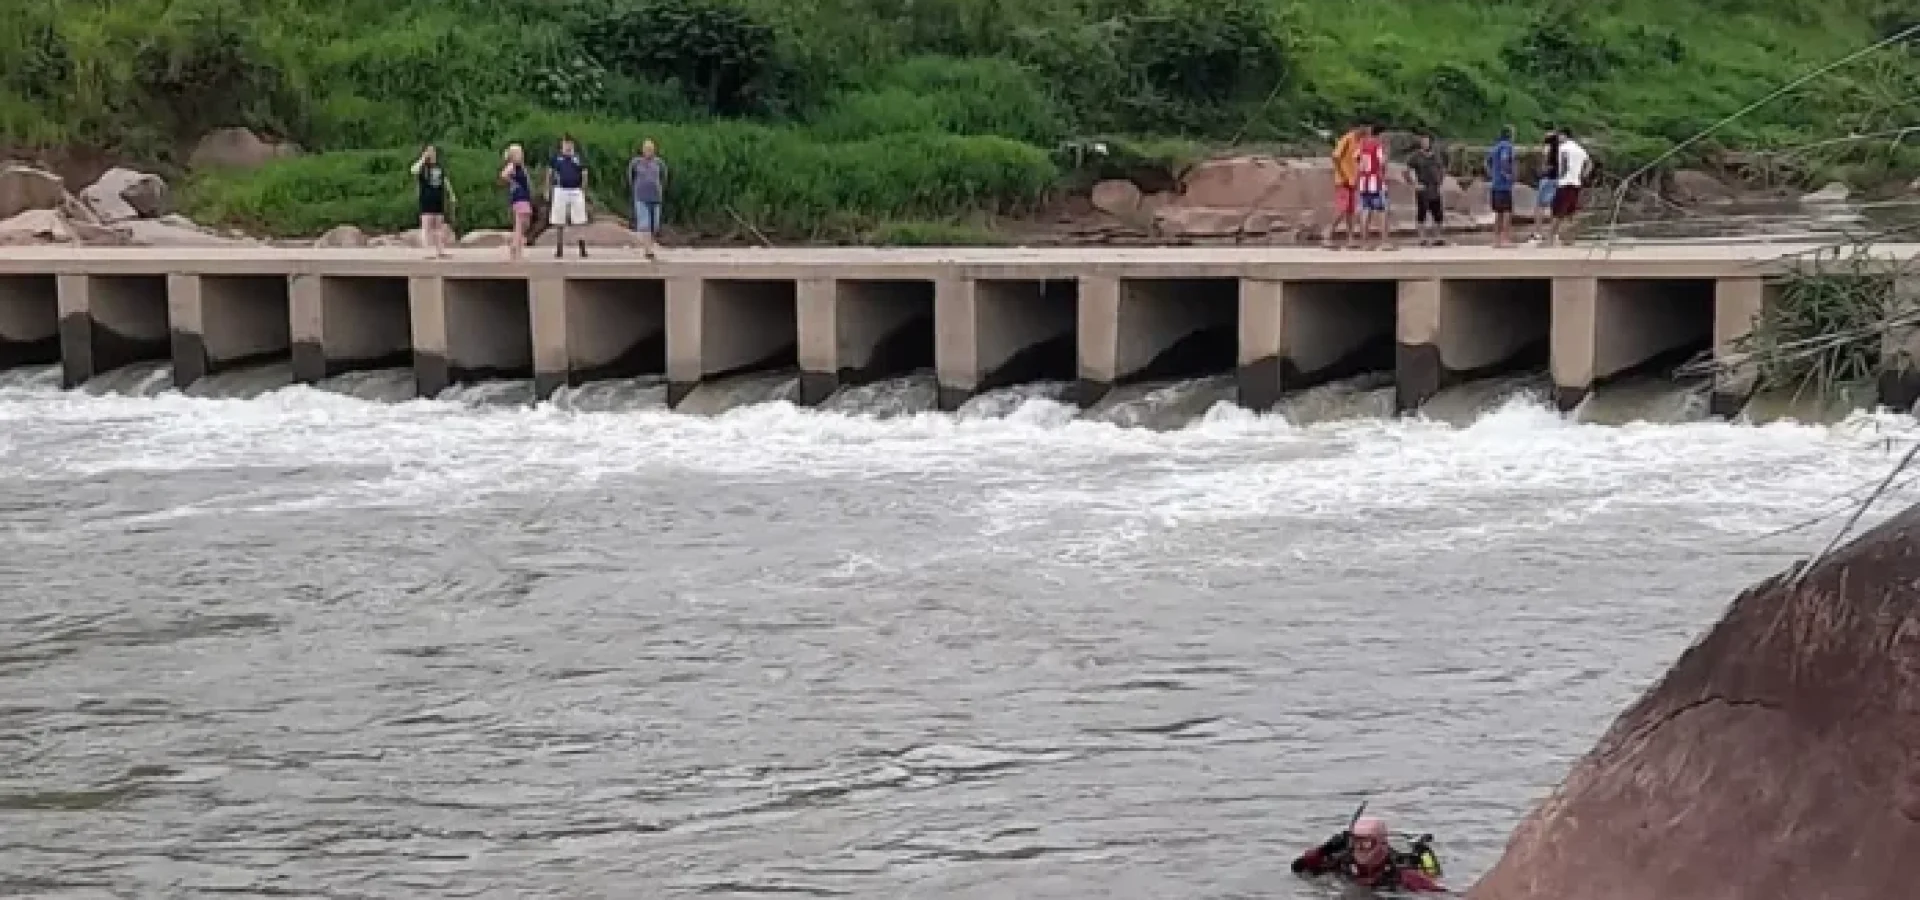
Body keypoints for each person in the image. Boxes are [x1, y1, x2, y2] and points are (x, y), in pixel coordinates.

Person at [1292, 815, 1447, 893]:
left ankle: (1419, 847)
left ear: (1380, 844)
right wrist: (1325, 849)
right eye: (1355, 842)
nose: (1359, 848)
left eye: (1366, 843)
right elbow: (1299, 868)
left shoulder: (1402, 874)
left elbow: (1440, 894)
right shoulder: (1344, 863)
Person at [546, 134, 591, 259]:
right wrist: (547, 189)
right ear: (562, 145)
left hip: (575, 190)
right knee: (559, 219)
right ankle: (559, 247)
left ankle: (582, 247)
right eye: (565, 144)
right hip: (560, 189)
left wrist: (583, 189)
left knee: (580, 219)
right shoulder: (556, 158)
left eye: (570, 144)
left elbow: (585, 173)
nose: (568, 147)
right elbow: (550, 173)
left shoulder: (578, 158)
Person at [1548, 127, 1592, 247]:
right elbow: (1589, 163)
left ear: (1565, 136)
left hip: (1565, 183)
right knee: (1570, 212)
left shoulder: (1564, 148)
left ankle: (1550, 238)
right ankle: (1568, 238)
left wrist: (1561, 176)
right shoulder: (1579, 149)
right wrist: (1583, 175)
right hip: (1576, 183)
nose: (1558, 138)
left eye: (1559, 135)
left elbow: (1564, 162)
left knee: (1557, 211)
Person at [409, 144, 455, 259]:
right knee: (427, 226)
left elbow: (445, 180)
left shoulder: (439, 167)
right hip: (426, 199)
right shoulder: (423, 167)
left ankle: (440, 250)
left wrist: (451, 194)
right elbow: (413, 170)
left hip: (438, 198)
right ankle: (427, 251)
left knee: (439, 226)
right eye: (429, 151)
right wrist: (423, 158)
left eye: (433, 151)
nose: (432, 153)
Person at [1326, 120, 1366, 250]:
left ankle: (1350, 238)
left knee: (1350, 210)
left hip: (1353, 181)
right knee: (1341, 208)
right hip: (1343, 180)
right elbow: (1336, 156)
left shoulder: (1361, 142)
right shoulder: (1348, 138)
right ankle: (1328, 235)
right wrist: (1343, 174)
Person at [627, 139, 667, 260]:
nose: (648, 151)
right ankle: (648, 250)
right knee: (645, 224)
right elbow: (630, 176)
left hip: (655, 197)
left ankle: (650, 245)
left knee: (655, 226)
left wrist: (660, 189)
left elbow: (664, 177)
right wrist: (635, 188)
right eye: (646, 149)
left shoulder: (659, 163)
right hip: (641, 197)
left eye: (651, 149)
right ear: (642, 150)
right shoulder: (636, 162)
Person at [1405, 132, 1446, 247]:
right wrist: (1414, 184)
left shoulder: (1436, 155)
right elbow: (1406, 171)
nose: (1425, 143)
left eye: (1427, 141)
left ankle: (1438, 237)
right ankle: (1422, 238)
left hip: (1435, 187)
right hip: (1423, 188)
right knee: (1422, 212)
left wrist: (1441, 183)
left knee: (1437, 213)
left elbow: (1441, 169)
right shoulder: (1416, 156)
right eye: (1423, 141)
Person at [1356, 124, 1391, 250]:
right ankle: (1384, 242)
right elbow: (1382, 162)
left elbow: (1357, 161)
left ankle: (1364, 243)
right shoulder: (1377, 145)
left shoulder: (1361, 144)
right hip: (1375, 181)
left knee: (1365, 211)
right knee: (1382, 211)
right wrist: (1384, 175)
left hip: (1363, 181)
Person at [499, 143, 534, 261]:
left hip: (525, 197)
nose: (521, 155)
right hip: (519, 197)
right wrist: (512, 182)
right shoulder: (512, 166)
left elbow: (527, 182)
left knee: (526, 223)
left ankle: (514, 243)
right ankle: (517, 250)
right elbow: (503, 175)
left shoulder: (521, 167)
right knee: (520, 223)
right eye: (518, 153)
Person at [1487, 125, 1517, 248]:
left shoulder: (1495, 147)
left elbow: (1487, 162)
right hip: (1504, 185)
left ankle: (1496, 239)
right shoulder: (1507, 146)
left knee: (1498, 213)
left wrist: (1492, 174)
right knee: (1507, 211)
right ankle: (1505, 238)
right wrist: (1508, 175)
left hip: (1495, 183)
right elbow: (1504, 160)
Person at [1529, 129, 1561, 244]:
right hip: (1558, 179)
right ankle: (1554, 234)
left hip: (1547, 179)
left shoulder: (1548, 149)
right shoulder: (1562, 149)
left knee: (1540, 206)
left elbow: (1545, 164)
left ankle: (1538, 232)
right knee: (1554, 206)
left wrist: (1542, 172)